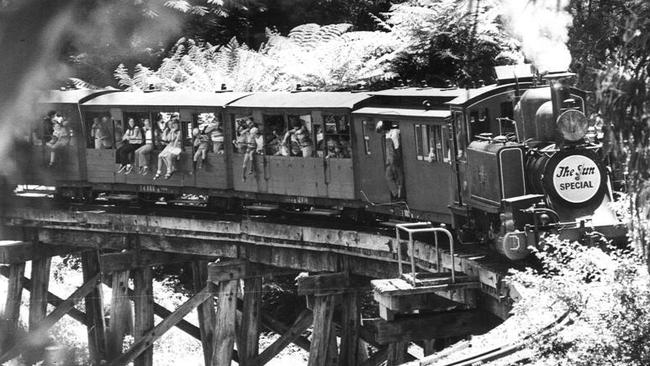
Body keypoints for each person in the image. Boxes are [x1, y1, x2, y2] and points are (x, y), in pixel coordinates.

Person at [376, 121, 404, 200]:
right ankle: (395, 194)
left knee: (398, 177)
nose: (381, 133)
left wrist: (397, 160)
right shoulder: (387, 135)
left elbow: (397, 147)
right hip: (390, 160)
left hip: (394, 159)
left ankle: (400, 195)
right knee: (388, 177)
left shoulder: (394, 134)